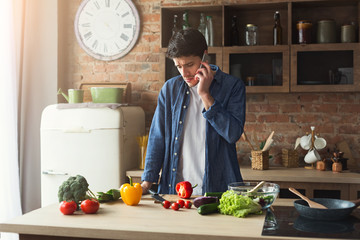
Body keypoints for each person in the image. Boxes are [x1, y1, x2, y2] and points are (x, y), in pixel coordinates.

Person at [141, 28, 246, 195]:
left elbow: (233, 134)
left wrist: (206, 95)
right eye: (178, 66)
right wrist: (146, 183)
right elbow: (157, 136)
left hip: (218, 190)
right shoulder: (170, 89)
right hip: (175, 190)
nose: (184, 73)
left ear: (204, 57)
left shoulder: (232, 86)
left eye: (189, 65)